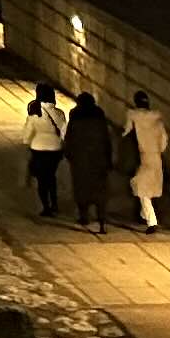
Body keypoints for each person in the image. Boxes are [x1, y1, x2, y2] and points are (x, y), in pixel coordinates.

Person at [63, 72, 117, 230]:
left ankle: (84, 216)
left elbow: (69, 139)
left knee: (81, 189)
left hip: (80, 162)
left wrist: (69, 155)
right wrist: (108, 160)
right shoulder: (99, 120)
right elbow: (106, 142)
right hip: (98, 161)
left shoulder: (75, 119)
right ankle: (101, 219)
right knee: (100, 190)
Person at [23, 85, 70, 218]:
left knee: (41, 180)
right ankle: (54, 203)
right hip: (55, 149)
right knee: (51, 176)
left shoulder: (34, 113)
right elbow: (64, 132)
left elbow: (27, 135)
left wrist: (28, 142)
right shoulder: (59, 113)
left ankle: (46, 207)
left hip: (38, 149)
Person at [126, 90, 169, 232]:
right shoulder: (158, 121)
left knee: (141, 189)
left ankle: (151, 221)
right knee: (147, 188)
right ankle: (144, 214)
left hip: (142, 156)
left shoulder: (133, 117)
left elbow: (126, 133)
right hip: (155, 158)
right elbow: (163, 142)